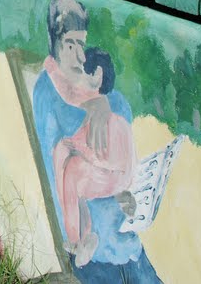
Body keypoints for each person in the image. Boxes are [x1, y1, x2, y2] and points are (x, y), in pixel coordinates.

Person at [31, 0, 160, 282]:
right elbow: (55, 181)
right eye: (70, 45)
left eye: (82, 43)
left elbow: (127, 173)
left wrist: (129, 199)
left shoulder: (115, 101)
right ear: (55, 45)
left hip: (128, 246)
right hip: (94, 259)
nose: (80, 56)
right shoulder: (47, 95)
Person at [53, 47, 136, 267]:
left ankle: (76, 240)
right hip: (101, 170)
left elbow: (109, 158)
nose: (90, 77)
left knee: (73, 169)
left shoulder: (108, 105)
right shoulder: (94, 103)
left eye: (95, 72)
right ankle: (82, 236)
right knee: (64, 156)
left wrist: (50, 67)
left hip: (114, 173)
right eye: (88, 72)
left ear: (103, 75)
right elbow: (82, 141)